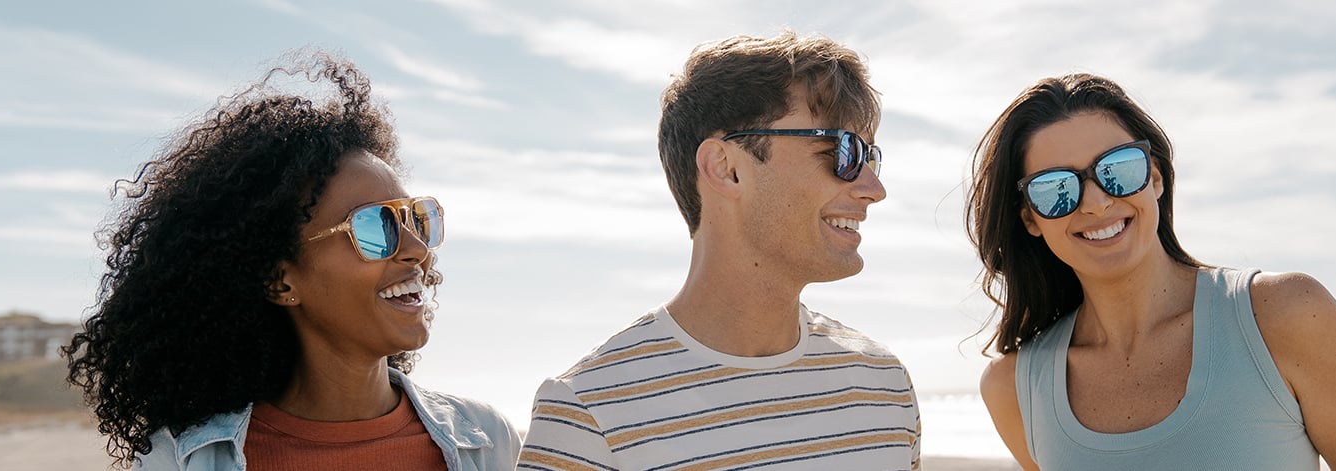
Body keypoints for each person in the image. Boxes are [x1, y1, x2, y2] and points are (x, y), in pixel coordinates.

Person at [64, 52, 520, 470]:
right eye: (374, 227)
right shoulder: (179, 462)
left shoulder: (488, 442)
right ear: (280, 280)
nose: (417, 250)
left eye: (417, 220)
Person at [517, 32, 921, 470]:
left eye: (870, 156)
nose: (873, 189)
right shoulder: (588, 414)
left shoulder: (885, 386)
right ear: (725, 168)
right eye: (843, 151)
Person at [968, 73, 1336, 470]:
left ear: (1155, 178)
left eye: (1117, 169)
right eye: (1056, 188)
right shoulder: (1015, 390)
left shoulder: (1286, 317)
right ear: (1030, 218)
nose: (1096, 202)